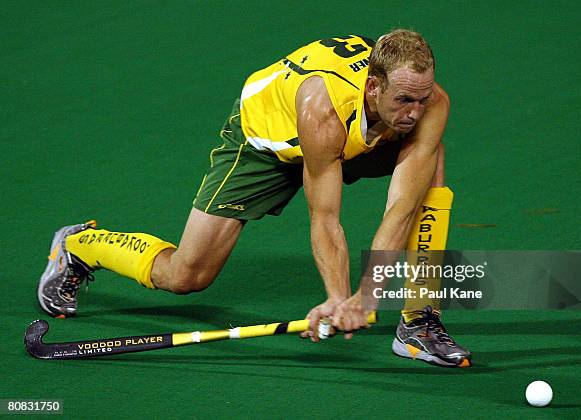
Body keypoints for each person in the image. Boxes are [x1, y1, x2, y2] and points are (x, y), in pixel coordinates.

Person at [38, 29, 471, 367]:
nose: (415, 111)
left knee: (429, 163)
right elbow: (325, 218)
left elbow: (401, 209)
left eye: (422, 96)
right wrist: (340, 298)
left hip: (357, 136)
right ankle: (79, 246)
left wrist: (369, 294)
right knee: (186, 275)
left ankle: (419, 319)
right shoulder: (322, 109)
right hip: (264, 144)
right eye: (404, 99)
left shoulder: (430, 105)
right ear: (374, 87)